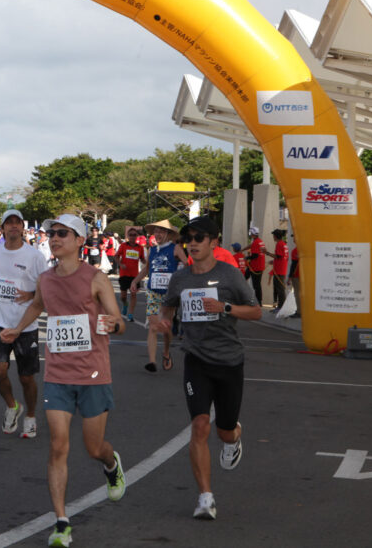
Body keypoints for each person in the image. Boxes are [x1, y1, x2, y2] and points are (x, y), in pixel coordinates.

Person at [0, 214, 127, 548]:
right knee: (58, 446)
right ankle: (61, 522)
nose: (54, 238)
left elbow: (119, 321)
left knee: (94, 447)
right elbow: (37, 305)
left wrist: (112, 324)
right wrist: (17, 329)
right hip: (57, 373)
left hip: (93, 373)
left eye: (62, 233)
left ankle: (111, 463)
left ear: (80, 241)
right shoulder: (45, 278)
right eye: (51, 234)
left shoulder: (96, 278)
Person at [152, 216, 261, 520]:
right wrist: (163, 325)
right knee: (200, 424)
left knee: (224, 431)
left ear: (214, 242)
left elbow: (255, 311)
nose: (192, 243)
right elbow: (167, 309)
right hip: (196, 360)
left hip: (229, 361)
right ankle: (205, 497)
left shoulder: (229, 275)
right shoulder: (180, 279)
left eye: (199, 238)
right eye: (188, 238)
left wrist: (225, 308)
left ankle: (235, 436)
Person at [0, 209, 48, 439]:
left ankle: (31, 416)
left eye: (18, 222)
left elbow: (47, 285)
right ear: (3, 228)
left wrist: (31, 294)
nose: (14, 226)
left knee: (26, 377)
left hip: (26, 325)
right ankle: (12, 405)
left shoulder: (35, 256)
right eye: (9, 222)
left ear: (23, 228)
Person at [131, 219, 185, 372]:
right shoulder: (152, 250)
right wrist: (135, 281)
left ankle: (166, 352)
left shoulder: (176, 248)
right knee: (154, 326)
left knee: (166, 328)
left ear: (168, 234)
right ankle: (152, 361)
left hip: (169, 294)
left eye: (161, 231)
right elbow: (146, 269)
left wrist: (181, 277)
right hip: (153, 292)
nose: (158, 234)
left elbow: (188, 265)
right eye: (156, 231)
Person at [115, 228, 146, 321]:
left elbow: (142, 259)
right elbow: (116, 256)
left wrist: (147, 263)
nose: (132, 236)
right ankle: (125, 304)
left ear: (137, 236)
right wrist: (120, 264)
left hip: (135, 276)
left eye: (134, 235)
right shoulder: (123, 246)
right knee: (123, 296)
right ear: (128, 236)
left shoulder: (140, 247)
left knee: (133, 294)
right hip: (124, 274)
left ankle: (130, 314)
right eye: (131, 235)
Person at [264, 229, 289, 310]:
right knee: (279, 288)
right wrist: (274, 261)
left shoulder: (279, 244)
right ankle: (280, 306)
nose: (273, 237)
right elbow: (282, 257)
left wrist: (267, 252)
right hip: (281, 269)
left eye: (273, 235)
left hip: (279, 270)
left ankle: (281, 307)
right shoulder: (284, 244)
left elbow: (278, 256)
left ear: (275, 236)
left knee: (280, 289)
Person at [241, 226, 266, 304]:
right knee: (245, 279)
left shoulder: (256, 242)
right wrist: (242, 250)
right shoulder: (260, 241)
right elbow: (251, 245)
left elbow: (255, 255)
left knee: (256, 285)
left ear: (252, 234)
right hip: (257, 266)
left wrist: (247, 257)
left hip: (255, 267)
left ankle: (258, 301)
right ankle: (257, 300)